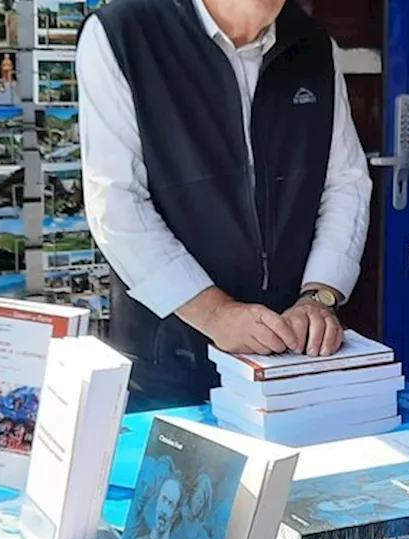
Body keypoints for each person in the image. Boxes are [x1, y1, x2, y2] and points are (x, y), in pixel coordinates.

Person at [77, 0, 371, 411]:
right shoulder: (124, 33)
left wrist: (318, 297)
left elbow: (345, 182)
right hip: (170, 353)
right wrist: (215, 314)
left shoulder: (310, 43)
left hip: (283, 356)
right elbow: (117, 204)